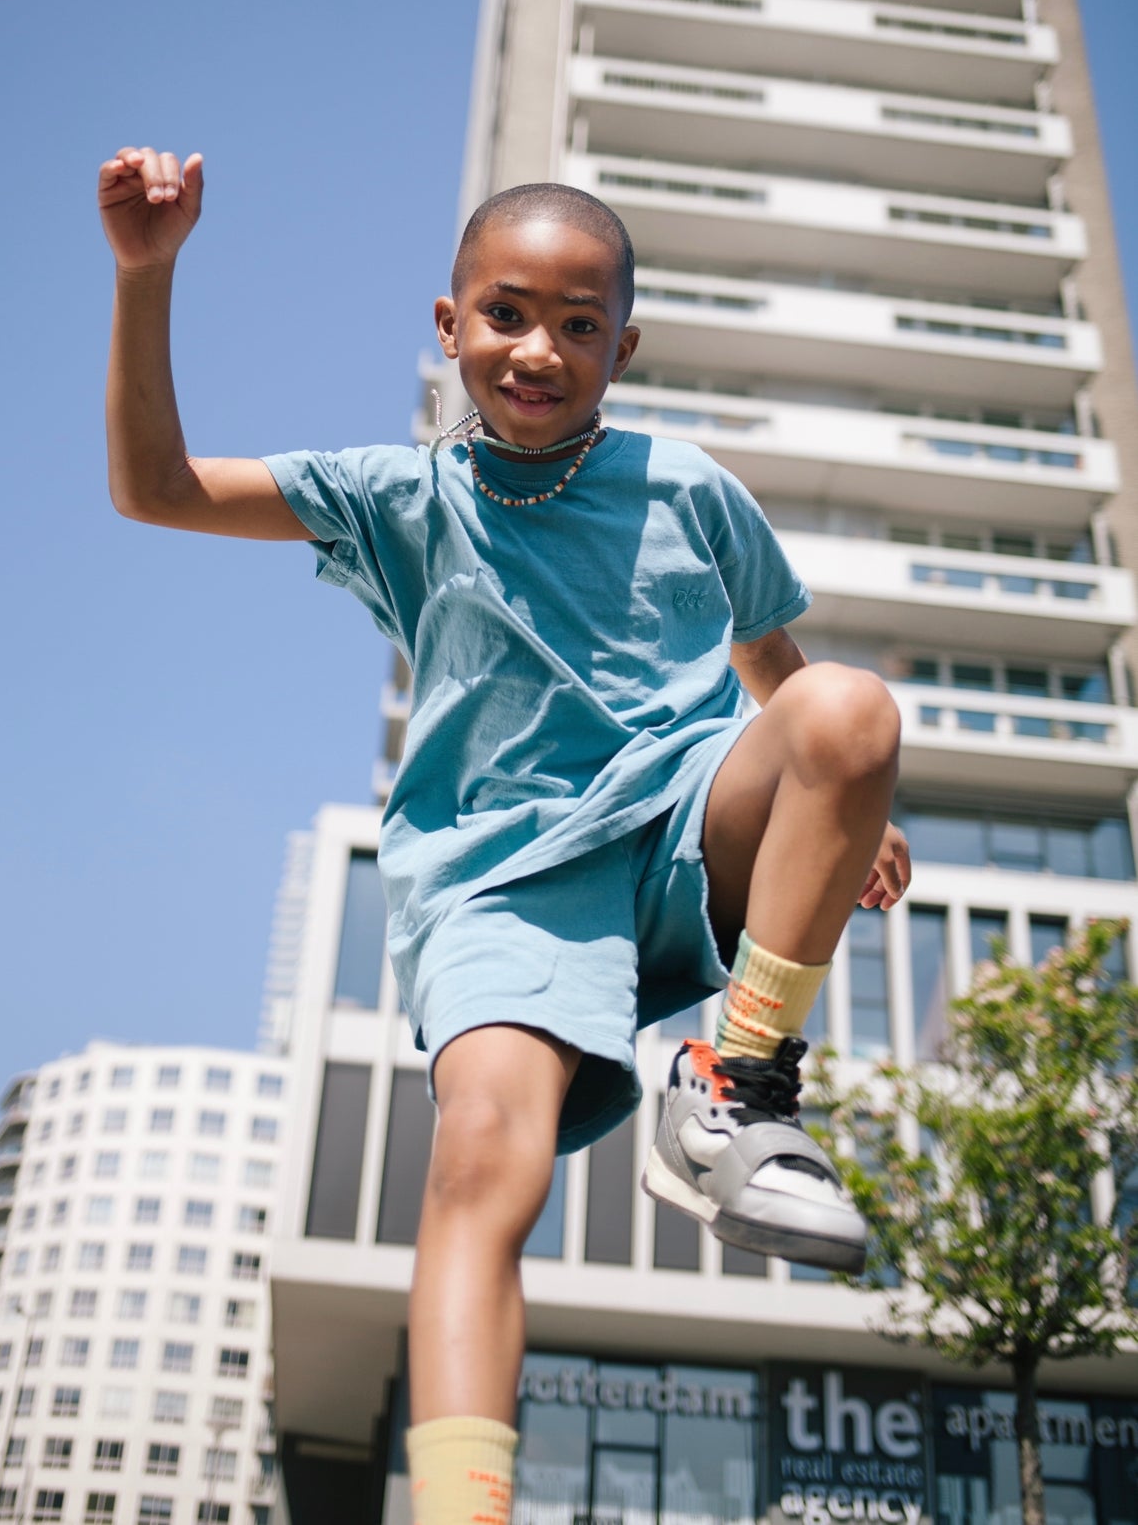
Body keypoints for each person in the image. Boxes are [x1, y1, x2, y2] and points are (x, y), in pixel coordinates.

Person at [99, 147, 911, 1525]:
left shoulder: (686, 487)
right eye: (509, 313)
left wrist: (840, 803)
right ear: (450, 323)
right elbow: (159, 487)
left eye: (580, 325)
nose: (540, 349)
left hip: (673, 827)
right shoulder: (399, 496)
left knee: (856, 707)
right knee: (488, 1158)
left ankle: (735, 1085)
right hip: (503, 888)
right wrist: (147, 276)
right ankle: (468, 1506)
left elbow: (777, 667)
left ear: (624, 345)